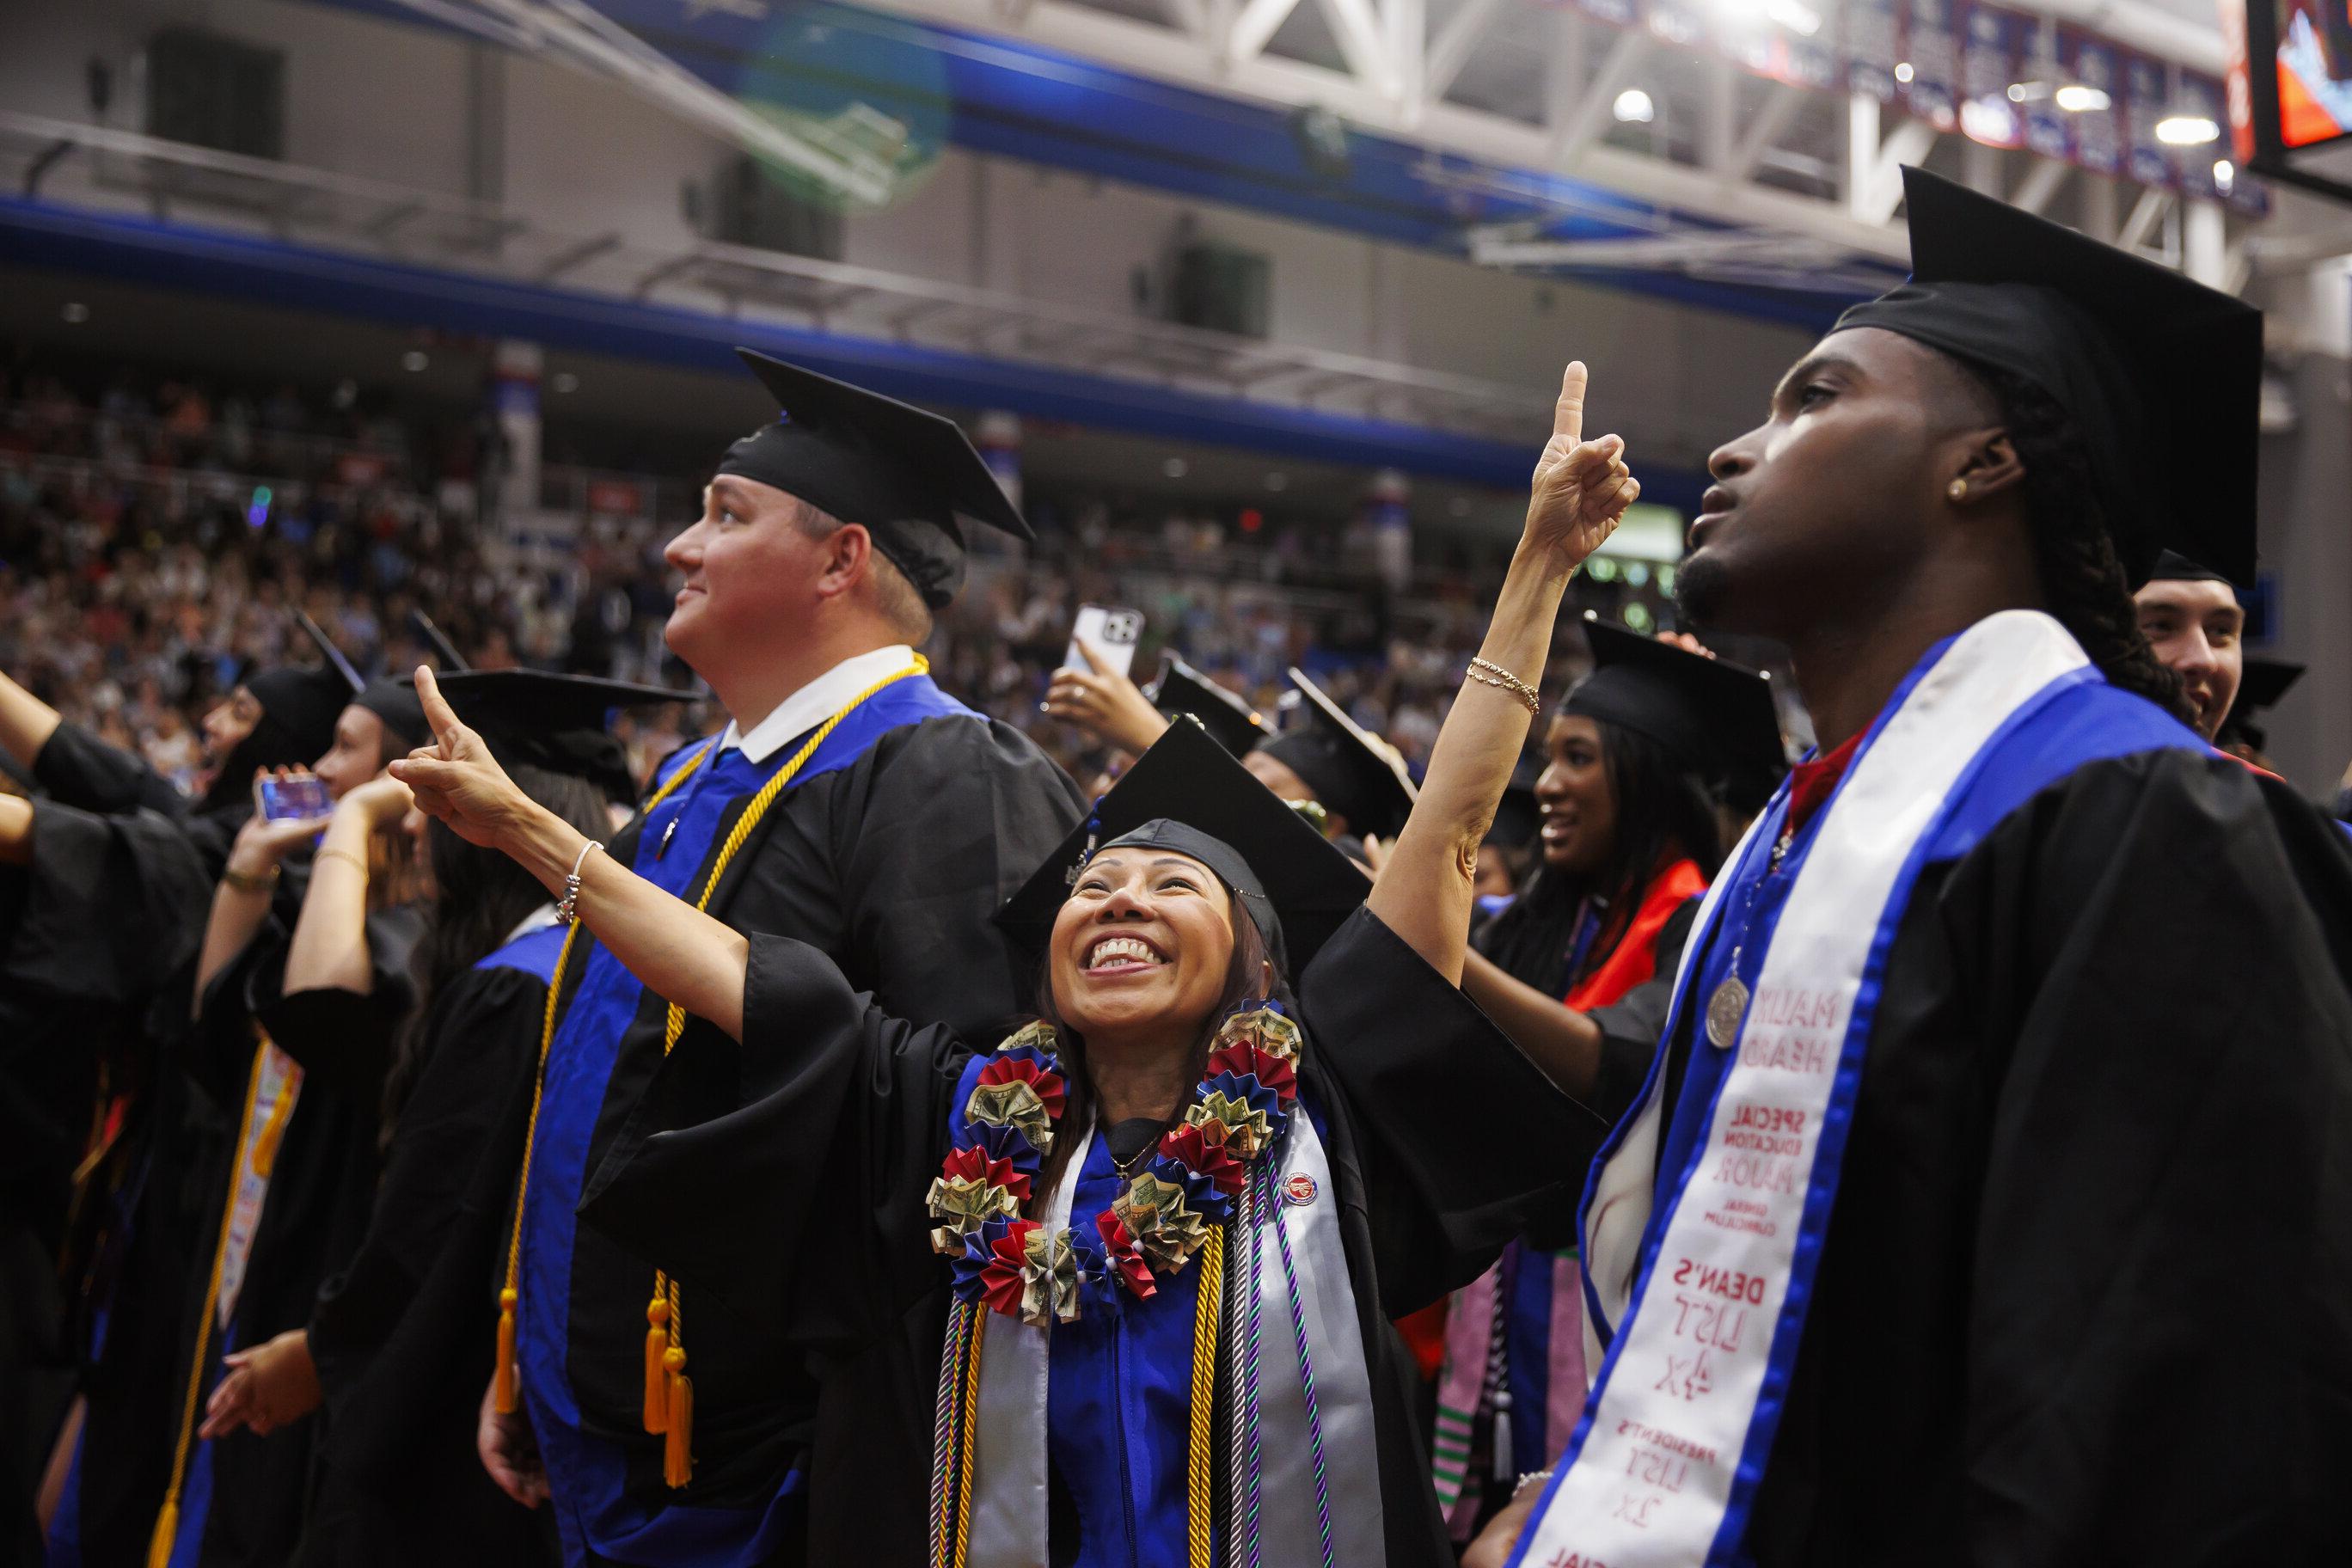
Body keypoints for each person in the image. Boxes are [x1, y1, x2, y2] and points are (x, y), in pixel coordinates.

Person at [389, 357, 1639, 1567]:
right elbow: (738, 981)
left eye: (1172, 884)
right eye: (1091, 884)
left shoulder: (1323, 1120)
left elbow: (1449, 841)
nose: (1118, 900)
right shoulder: (968, 1117)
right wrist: (527, 829)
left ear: (1256, 954)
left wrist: (1535, 572)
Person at [1477, 168, 2352, 1568]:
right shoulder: (1788, 849)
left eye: (1812, 399)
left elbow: (2159, 1450)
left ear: (1987, 459)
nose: (1735, 450)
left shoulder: (2141, 832)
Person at [375, 350, 1082, 1567]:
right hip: (600, 1420)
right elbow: (595, 1079)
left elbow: (973, 1122)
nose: (675, 548)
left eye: (723, 514)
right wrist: (534, 1348)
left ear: (841, 559)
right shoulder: (695, 780)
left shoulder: (948, 773)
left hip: (783, 1471)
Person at [199, 671, 677, 1568]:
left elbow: (424, 1239)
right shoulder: (583, 965)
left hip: (448, 1448)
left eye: (433, 797)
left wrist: (316, 1354)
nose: (412, 822)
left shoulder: (513, 987)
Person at [1431, 616, 1784, 1542]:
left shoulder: (1703, 924)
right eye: (1547, 758)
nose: (1545, 784)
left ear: (1645, 776)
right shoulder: (1542, 922)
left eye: (1577, 758)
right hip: (1502, 1297)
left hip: (1618, 1307)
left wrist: (1442, 951)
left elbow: (1617, 1057)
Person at [2132, 551, 2245, 742]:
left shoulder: (2246, 773)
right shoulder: (2069, 770)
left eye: (2221, 631)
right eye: (2161, 626)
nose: (2203, 660)